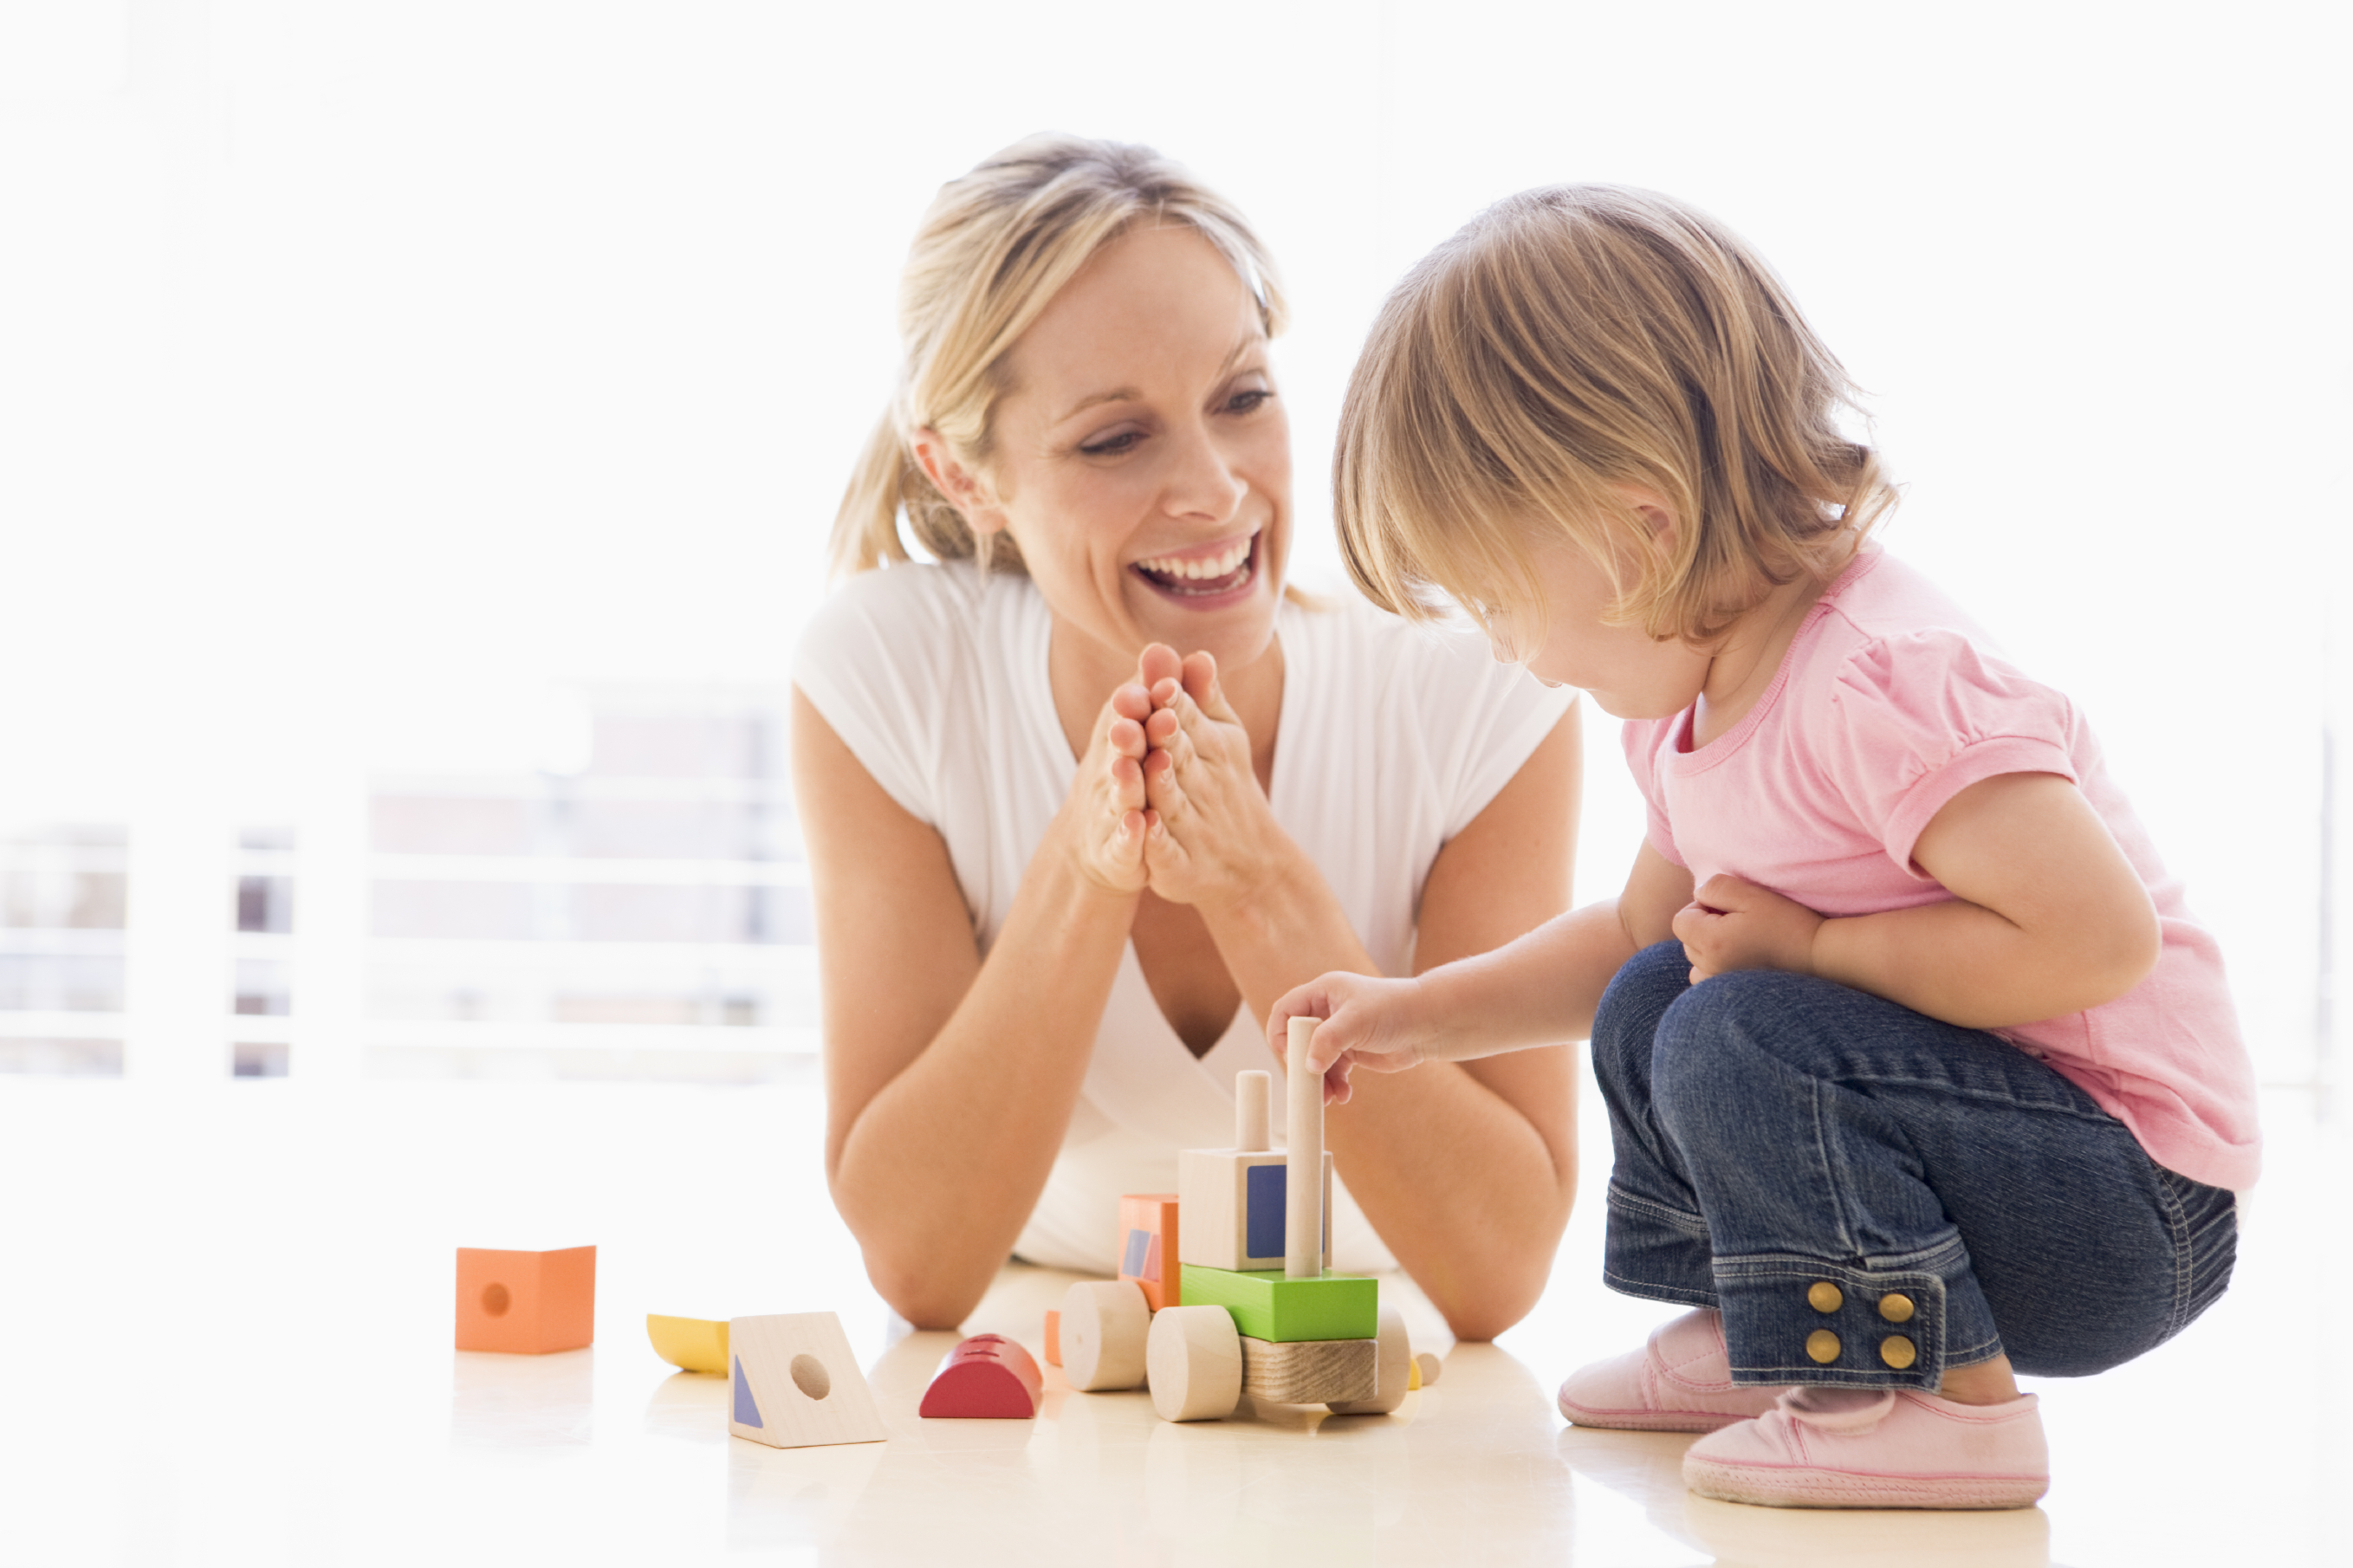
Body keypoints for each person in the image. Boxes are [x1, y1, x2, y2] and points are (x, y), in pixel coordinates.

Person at [1272, 185, 2256, 1508]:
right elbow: (1632, 938)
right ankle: (1767, 1331)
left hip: (2131, 1202)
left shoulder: (1877, 683)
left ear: (1641, 532)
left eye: (1500, 598)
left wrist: (1813, 947)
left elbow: (2095, 938)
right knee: (1663, 989)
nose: (1505, 647)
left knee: (1728, 1023)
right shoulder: (1684, 710)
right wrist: (1416, 1014)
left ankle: (1956, 1413)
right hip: (1975, 1157)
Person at [790, 135, 1583, 1338]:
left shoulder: (1474, 686)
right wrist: (1089, 861)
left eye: (1242, 398)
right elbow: (921, 1263)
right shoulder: (891, 676)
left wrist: (1257, 883)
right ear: (965, 475)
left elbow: (1494, 1270)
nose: (1215, 488)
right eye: (1116, 439)